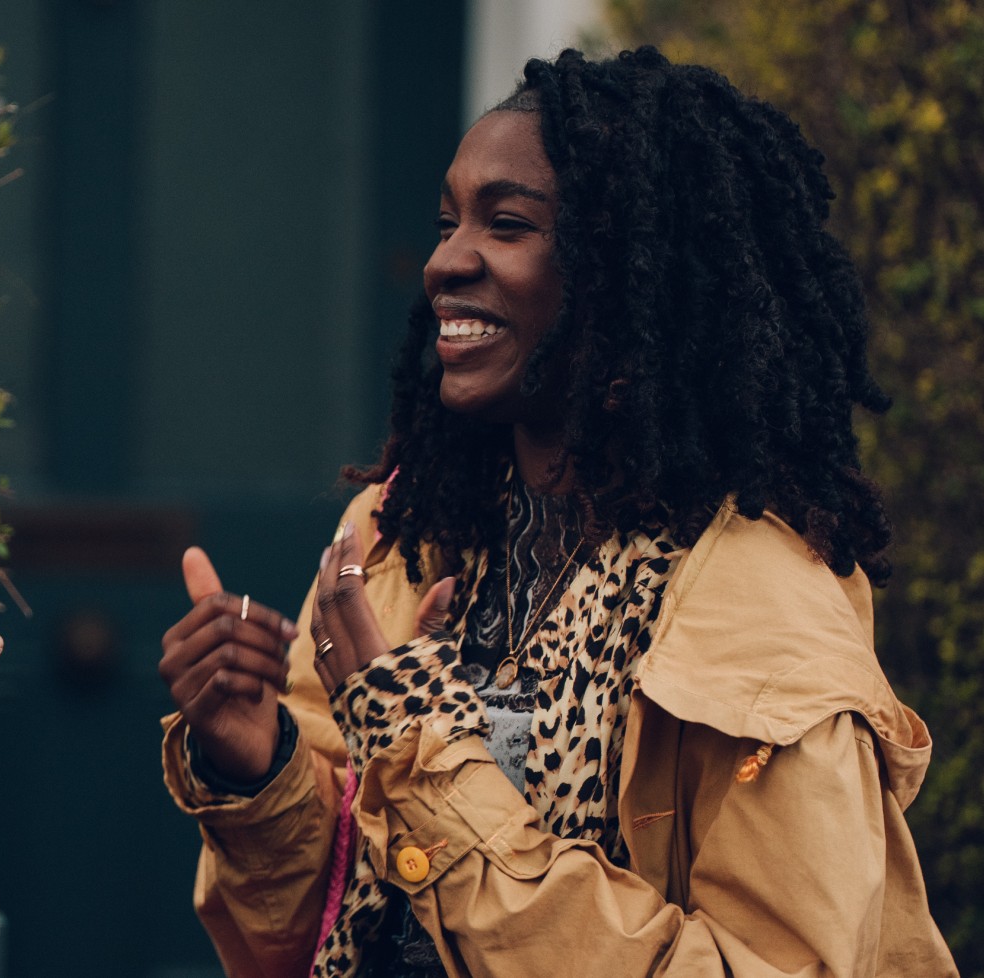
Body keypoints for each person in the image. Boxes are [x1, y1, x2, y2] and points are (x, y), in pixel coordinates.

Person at [158, 47, 957, 978]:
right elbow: (301, 936)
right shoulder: (402, 534)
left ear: (625, 274)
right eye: (447, 222)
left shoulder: (759, 606)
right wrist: (259, 769)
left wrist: (421, 751)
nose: (448, 261)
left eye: (506, 224)